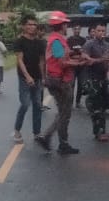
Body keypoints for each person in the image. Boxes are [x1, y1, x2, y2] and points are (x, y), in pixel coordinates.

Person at [37, 11, 86, 154]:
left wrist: (74, 54)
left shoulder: (56, 39)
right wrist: (79, 63)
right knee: (65, 113)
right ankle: (49, 137)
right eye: (66, 24)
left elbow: (61, 57)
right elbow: (62, 63)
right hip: (61, 81)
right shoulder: (57, 41)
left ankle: (60, 142)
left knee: (63, 112)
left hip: (56, 80)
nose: (67, 27)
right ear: (62, 25)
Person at [12, 16, 45, 143]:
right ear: (24, 26)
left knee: (37, 105)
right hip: (24, 78)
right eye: (29, 24)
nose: (32, 27)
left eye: (34, 25)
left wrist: (43, 78)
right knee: (25, 104)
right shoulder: (19, 41)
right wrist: (27, 76)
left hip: (37, 78)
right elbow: (19, 59)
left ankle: (37, 132)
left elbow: (41, 62)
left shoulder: (40, 43)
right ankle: (17, 130)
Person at [82, 22, 109, 142]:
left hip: (103, 78)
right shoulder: (89, 44)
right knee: (96, 106)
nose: (101, 33)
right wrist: (101, 59)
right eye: (99, 30)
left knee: (103, 106)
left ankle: (103, 130)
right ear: (94, 31)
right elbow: (87, 60)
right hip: (93, 79)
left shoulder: (107, 45)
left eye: (103, 31)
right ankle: (98, 131)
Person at [67, 27, 87, 108]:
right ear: (72, 30)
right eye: (75, 29)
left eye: (78, 29)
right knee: (71, 84)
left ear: (80, 30)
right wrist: (75, 51)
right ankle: (70, 103)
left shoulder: (83, 40)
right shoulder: (69, 40)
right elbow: (67, 53)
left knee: (81, 84)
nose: (77, 30)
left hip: (81, 65)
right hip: (72, 65)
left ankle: (78, 102)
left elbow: (85, 52)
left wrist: (81, 51)